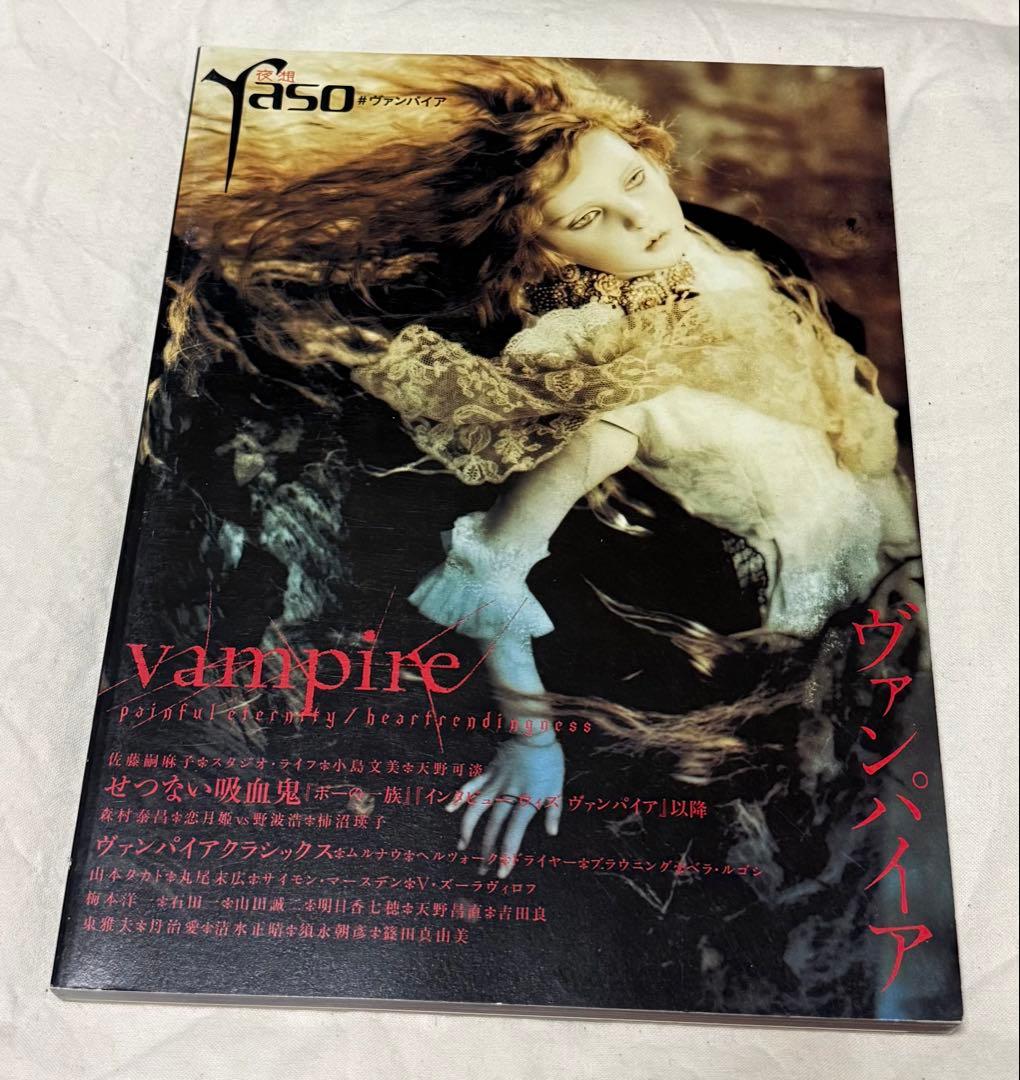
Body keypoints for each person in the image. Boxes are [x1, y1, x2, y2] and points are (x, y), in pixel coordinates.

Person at [165, 55, 921, 878]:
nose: (639, 220)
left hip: (883, 537)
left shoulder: (714, 254)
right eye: (588, 217)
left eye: (635, 178)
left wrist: (907, 546)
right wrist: (531, 741)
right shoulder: (614, 386)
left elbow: (838, 411)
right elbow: (487, 568)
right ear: (543, 249)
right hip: (802, 607)